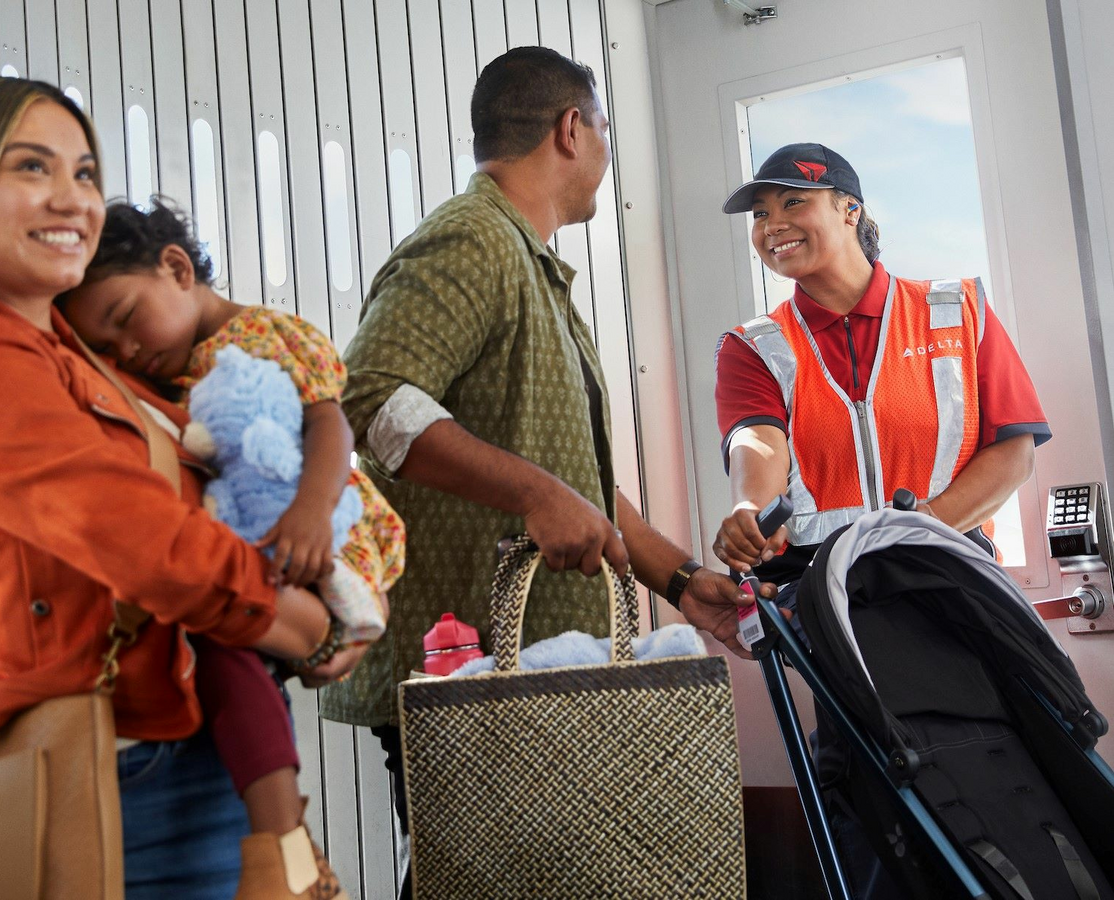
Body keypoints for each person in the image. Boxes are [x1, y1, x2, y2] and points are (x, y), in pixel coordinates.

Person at [318, 46, 767, 899]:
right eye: (602, 129)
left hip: (532, 665)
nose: (604, 150)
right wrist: (533, 494)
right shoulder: (472, 239)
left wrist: (681, 581)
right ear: (572, 128)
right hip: (470, 672)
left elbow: (577, 484)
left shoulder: (534, 267)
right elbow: (370, 398)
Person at [0, 76, 354, 900]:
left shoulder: (78, 353)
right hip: (108, 772)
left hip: (180, 753)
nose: (71, 198)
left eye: (85, 173)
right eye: (32, 167)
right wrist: (305, 623)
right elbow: (142, 536)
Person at [715, 142, 1051, 898]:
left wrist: (907, 535)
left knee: (999, 783)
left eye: (791, 203)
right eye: (759, 216)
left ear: (849, 208)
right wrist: (745, 503)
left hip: (959, 599)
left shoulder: (957, 309)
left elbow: (1012, 453)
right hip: (839, 617)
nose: (771, 226)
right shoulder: (754, 346)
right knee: (876, 808)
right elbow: (757, 439)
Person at [59, 198, 406, 895]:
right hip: (268, 543)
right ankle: (287, 844)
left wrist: (310, 514)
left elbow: (329, 425)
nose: (126, 350)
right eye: (108, 346)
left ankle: (283, 844)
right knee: (222, 645)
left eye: (126, 319)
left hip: (325, 531)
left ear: (177, 267)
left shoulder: (266, 333)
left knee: (226, 632)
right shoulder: (165, 374)